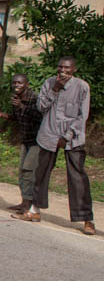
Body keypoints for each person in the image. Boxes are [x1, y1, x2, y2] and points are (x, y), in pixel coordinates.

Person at [20, 57, 95, 235]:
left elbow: (82, 116)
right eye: (60, 67)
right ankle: (35, 210)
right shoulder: (49, 83)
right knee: (41, 173)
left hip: (72, 138)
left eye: (67, 68)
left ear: (74, 70)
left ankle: (86, 219)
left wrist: (67, 136)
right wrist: (55, 90)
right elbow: (41, 107)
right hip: (48, 135)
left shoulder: (82, 87)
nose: (62, 71)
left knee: (78, 178)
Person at [0, 74, 42, 215]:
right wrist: (2, 114)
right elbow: (16, 117)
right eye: (14, 83)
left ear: (27, 84)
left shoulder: (35, 98)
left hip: (37, 140)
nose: (16, 85)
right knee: (22, 172)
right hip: (25, 140)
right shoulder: (15, 98)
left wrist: (22, 106)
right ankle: (24, 202)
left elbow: (39, 117)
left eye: (19, 83)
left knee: (28, 171)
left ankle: (30, 205)